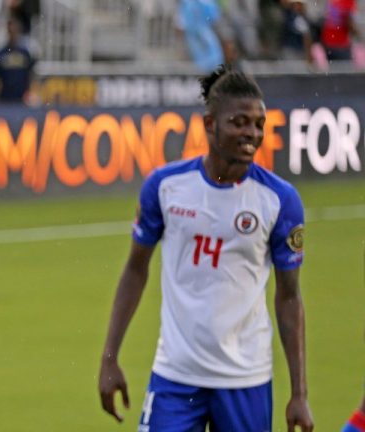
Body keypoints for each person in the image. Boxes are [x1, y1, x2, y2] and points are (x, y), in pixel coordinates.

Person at [98, 65, 314, 431]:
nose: (252, 134)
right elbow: (135, 269)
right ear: (210, 124)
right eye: (240, 122)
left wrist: (299, 394)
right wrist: (109, 357)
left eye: (258, 124)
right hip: (175, 376)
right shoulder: (165, 187)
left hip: (246, 379)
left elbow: (289, 297)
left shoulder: (280, 200)